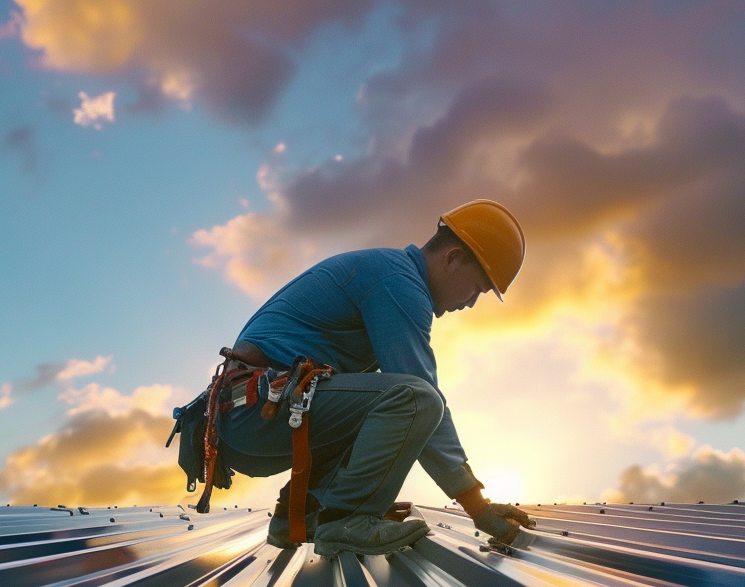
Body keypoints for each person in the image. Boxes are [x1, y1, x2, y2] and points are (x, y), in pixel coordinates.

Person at [199, 200, 534, 557]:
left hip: (251, 415)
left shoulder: (388, 272)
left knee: (375, 398)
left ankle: (300, 515)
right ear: (452, 259)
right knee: (416, 398)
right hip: (255, 413)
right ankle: (347, 518)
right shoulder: (398, 283)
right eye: (477, 289)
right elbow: (419, 391)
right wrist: (477, 507)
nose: (469, 304)